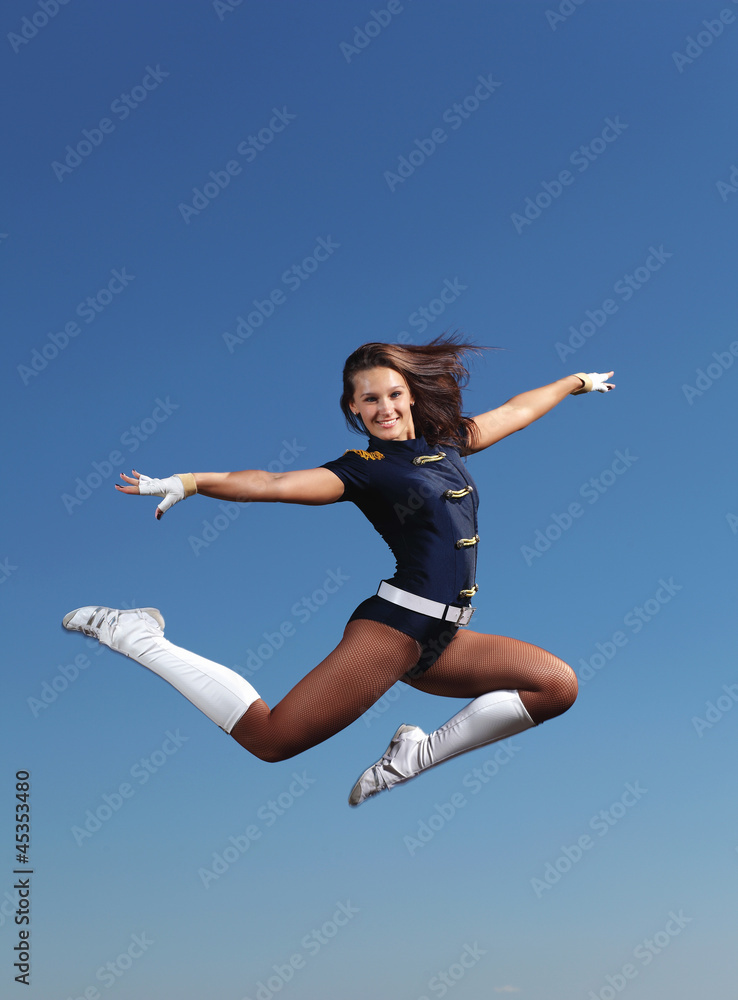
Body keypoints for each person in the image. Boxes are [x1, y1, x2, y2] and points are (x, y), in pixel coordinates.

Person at [62, 337, 614, 806]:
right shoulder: (365, 468)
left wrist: (576, 383)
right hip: (395, 628)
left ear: (410, 394)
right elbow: (272, 484)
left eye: (392, 394)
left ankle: (414, 755)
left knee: (555, 686)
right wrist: (192, 481)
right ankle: (134, 634)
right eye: (369, 399)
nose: (384, 407)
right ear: (354, 409)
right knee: (271, 739)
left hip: (444, 637)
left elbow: (516, 411)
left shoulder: (448, 444)